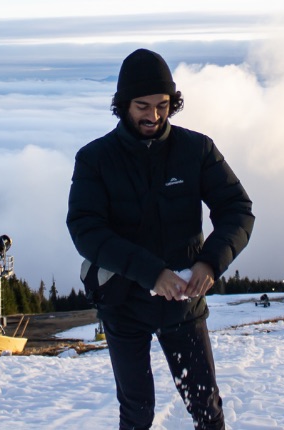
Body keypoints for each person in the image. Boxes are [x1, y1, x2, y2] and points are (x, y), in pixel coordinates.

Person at [66, 48, 254, 430]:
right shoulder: (95, 158)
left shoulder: (196, 150)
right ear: (123, 105)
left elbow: (237, 209)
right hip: (123, 301)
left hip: (183, 301)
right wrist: (152, 273)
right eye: (142, 106)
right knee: (136, 411)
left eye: (162, 105)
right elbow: (86, 231)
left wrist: (210, 262)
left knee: (205, 405)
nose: (153, 115)